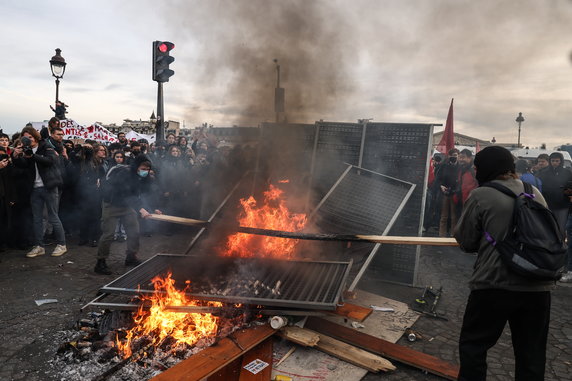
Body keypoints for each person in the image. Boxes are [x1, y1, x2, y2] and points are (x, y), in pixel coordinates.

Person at [454, 146, 553, 381]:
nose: (476, 171)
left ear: (487, 168)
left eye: (477, 167)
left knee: (474, 347)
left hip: (494, 284)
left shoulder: (481, 194)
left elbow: (466, 241)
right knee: (532, 354)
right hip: (537, 286)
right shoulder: (534, 192)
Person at [94, 156, 162, 275]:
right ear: (137, 167)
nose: (145, 171)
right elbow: (125, 194)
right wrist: (140, 209)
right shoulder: (124, 174)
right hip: (112, 204)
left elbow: (147, 194)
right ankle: (100, 262)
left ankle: (131, 256)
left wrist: (154, 208)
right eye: (143, 168)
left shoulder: (144, 178)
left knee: (134, 231)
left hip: (128, 207)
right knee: (108, 234)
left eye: (147, 169)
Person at [12, 126, 67, 257]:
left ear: (35, 137)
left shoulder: (45, 145)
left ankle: (62, 244)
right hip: (35, 188)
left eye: (30, 137)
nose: (28, 140)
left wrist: (33, 155)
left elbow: (50, 161)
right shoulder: (26, 149)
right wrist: (15, 155)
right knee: (37, 219)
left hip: (49, 187)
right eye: (25, 138)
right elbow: (22, 165)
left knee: (53, 216)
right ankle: (39, 246)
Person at [537, 152, 572, 232]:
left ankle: (561, 243)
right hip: (547, 205)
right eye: (553, 161)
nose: (555, 163)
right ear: (550, 161)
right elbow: (538, 186)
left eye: (557, 161)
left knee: (561, 228)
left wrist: (567, 191)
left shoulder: (568, 173)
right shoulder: (543, 173)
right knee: (547, 228)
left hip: (562, 206)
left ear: (561, 161)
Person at [435, 148, 460, 237]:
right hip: (444, 193)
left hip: (455, 194)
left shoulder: (460, 167)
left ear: (458, 156)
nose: (453, 157)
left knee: (454, 216)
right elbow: (437, 179)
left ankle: (453, 235)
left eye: (455, 155)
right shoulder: (443, 166)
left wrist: (457, 189)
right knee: (444, 216)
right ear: (448, 156)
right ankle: (442, 235)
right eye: (451, 155)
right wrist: (441, 186)